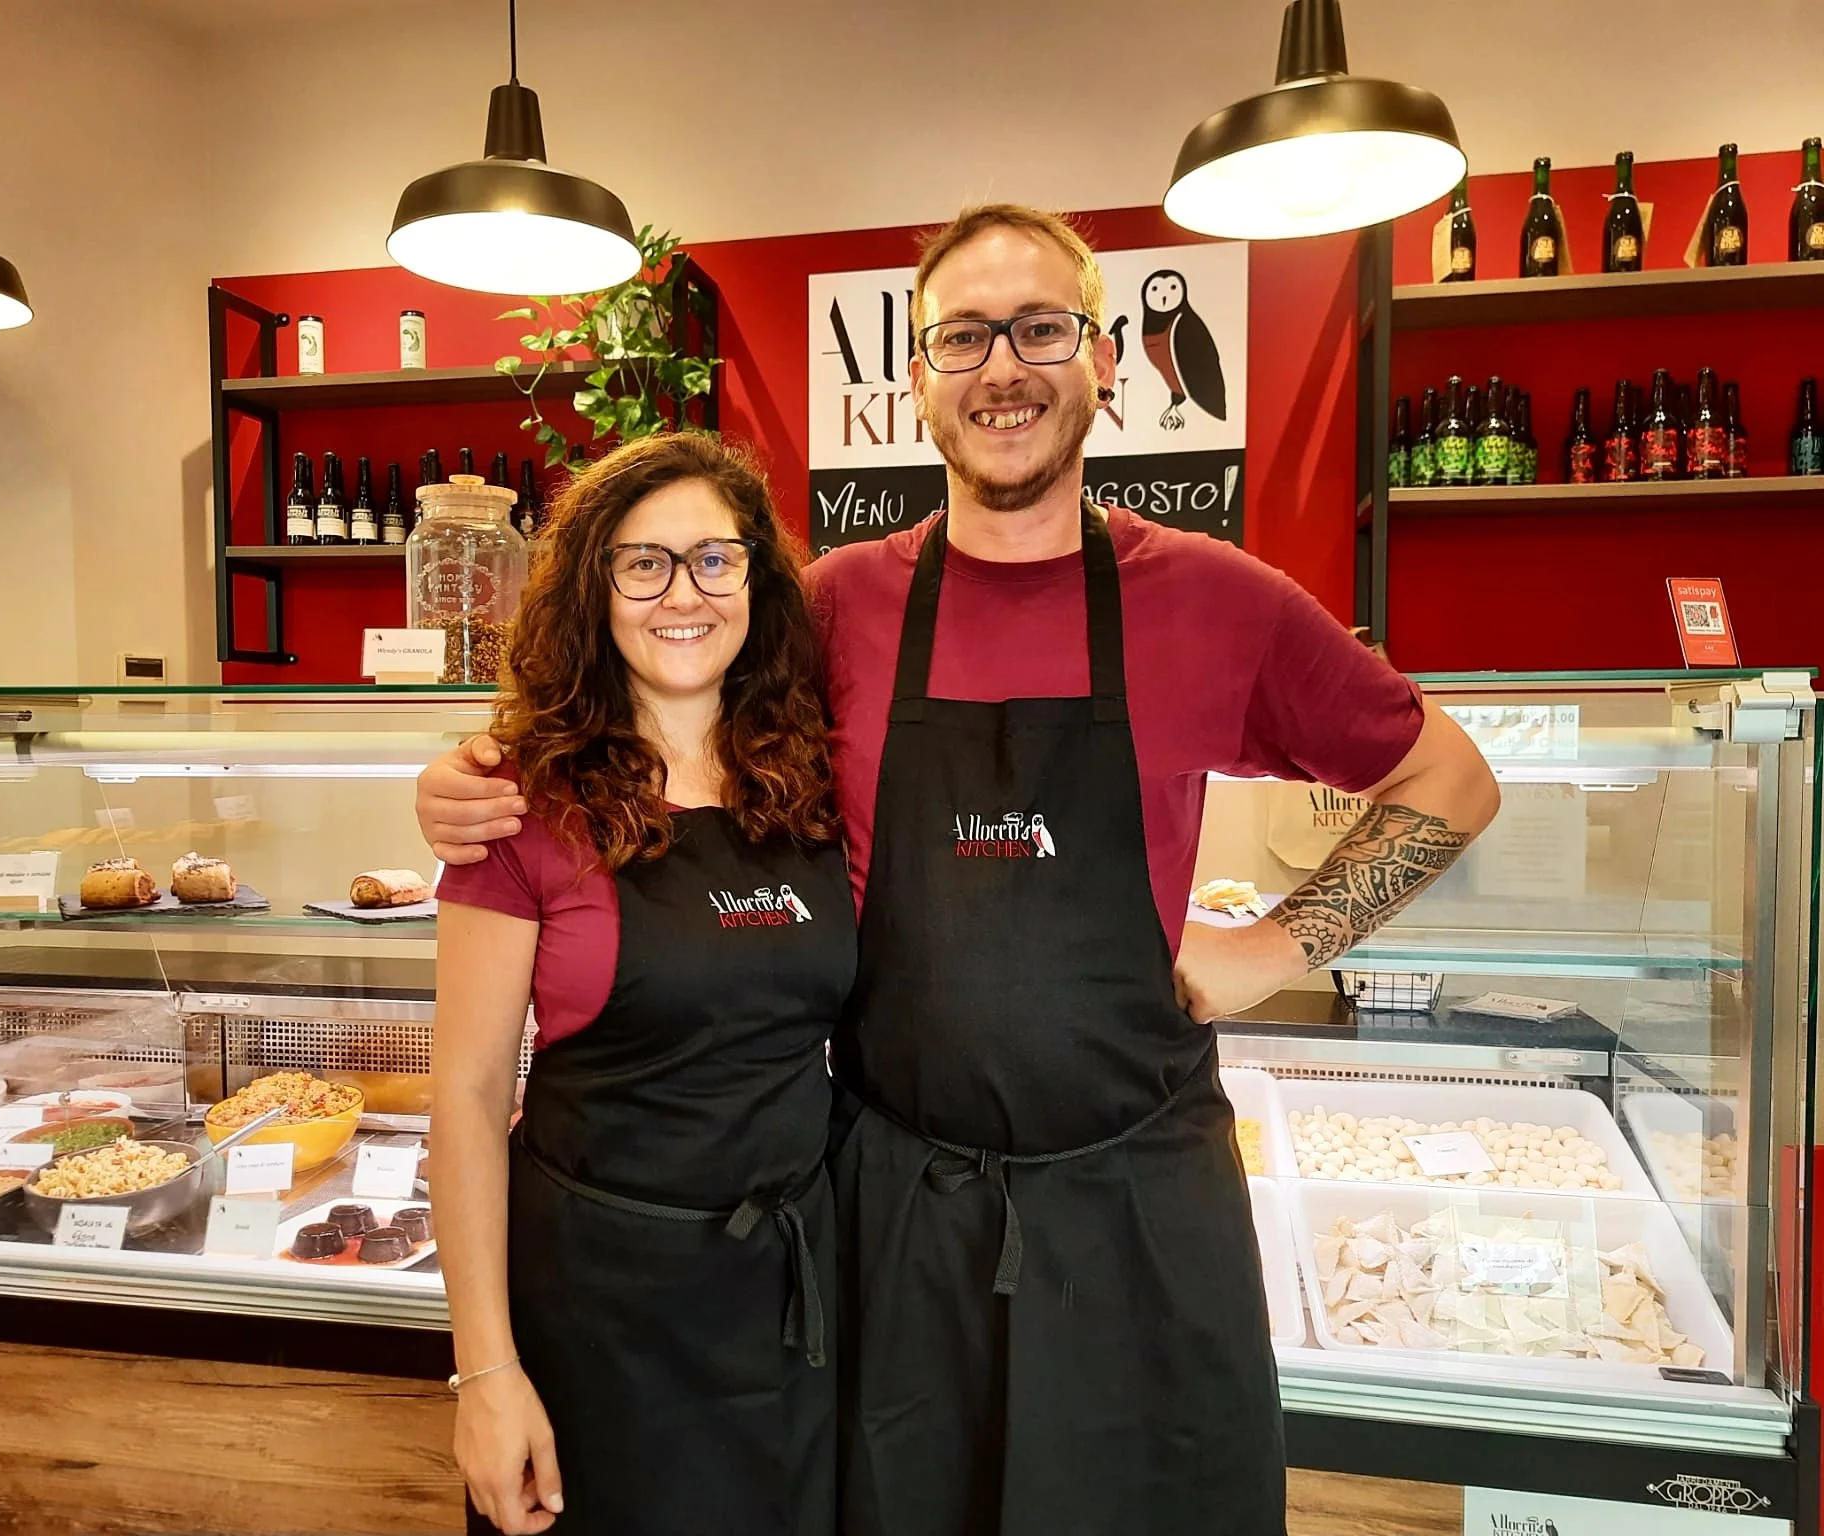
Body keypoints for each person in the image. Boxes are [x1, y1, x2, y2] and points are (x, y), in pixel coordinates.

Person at [419, 205, 1500, 1536]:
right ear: (917, 378)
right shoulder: (828, 611)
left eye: (1041, 329)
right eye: (965, 337)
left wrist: (1272, 950)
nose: (1004, 368)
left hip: (1138, 1208)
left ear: (1102, 359)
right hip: (893, 1212)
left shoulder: (1220, 601)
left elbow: (1452, 779)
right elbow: (645, 692)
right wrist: (481, 777)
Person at [428, 433, 855, 1536]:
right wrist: (485, 1377)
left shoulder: (819, 778)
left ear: (755, 581)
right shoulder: (518, 803)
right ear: (594, 589)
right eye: (643, 563)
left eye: (715, 559)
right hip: (596, 1317)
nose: (684, 593)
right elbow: (468, 1099)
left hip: (788, 1307)